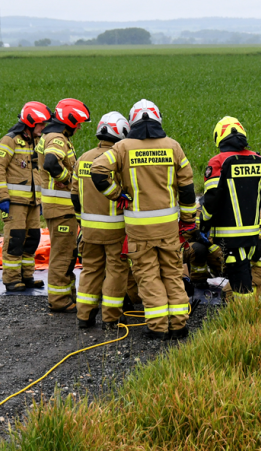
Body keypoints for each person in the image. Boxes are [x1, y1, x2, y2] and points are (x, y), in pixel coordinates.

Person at [91, 99, 196, 340]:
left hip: (139, 229)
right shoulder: (173, 147)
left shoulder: (123, 147)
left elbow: (98, 171)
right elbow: (188, 187)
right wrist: (188, 219)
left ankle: (158, 327)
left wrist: (117, 195)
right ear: (158, 119)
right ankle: (179, 325)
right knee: (172, 272)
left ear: (133, 122)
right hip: (168, 227)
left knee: (148, 275)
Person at [199, 116, 261, 303]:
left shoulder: (218, 162)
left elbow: (211, 199)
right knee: (242, 270)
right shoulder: (259, 161)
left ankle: (245, 314)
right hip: (253, 233)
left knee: (239, 276)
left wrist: (205, 225)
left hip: (229, 234)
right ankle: (243, 311)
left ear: (219, 137)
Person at [71, 112, 131, 329]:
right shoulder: (119, 159)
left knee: (90, 269)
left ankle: (84, 316)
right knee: (116, 270)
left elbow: (74, 196)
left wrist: (81, 222)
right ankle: (111, 318)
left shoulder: (83, 159)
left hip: (89, 230)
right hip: (115, 228)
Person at [36, 98, 90, 312]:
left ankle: (67, 296)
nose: (78, 127)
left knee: (68, 252)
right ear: (70, 120)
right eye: (77, 123)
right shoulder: (57, 139)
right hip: (60, 208)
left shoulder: (54, 136)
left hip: (59, 208)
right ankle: (59, 301)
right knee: (63, 254)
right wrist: (69, 179)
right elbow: (51, 163)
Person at [0, 102, 51, 292]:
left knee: (32, 239)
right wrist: (3, 198)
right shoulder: (10, 140)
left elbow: (38, 171)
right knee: (15, 240)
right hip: (15, 203)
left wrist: (41, 199)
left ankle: (27, 276)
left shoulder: (36, 141)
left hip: (33, 202)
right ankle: (11, 279)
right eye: (41, 124)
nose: (43, 128)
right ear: (30, 122)